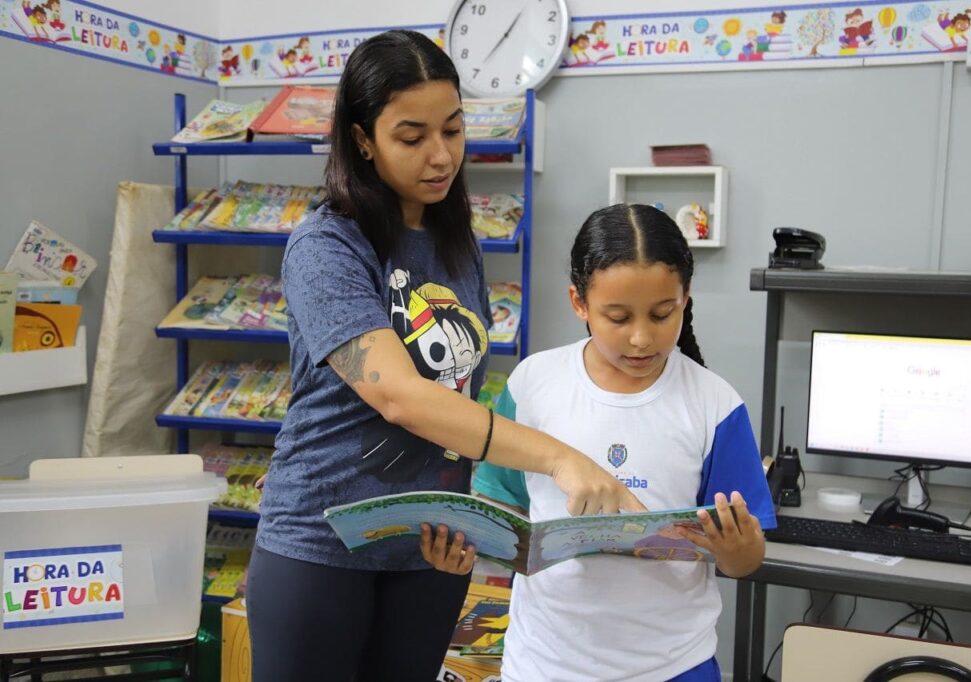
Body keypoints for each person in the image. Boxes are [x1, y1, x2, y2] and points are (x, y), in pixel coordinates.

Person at [246, 30, 643, 682]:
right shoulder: (327, 245)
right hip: (321, 544)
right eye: (412, 137)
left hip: (430, 553)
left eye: (453, 131)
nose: (441, 155)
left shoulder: (457, 242)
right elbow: (400, 395)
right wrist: (559, 458)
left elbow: (459, 390)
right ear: (363, 139)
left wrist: (467, 514)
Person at [421, 203, 777, 682]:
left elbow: (744, 561)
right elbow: (498, 508)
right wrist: (463, 548)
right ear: (579, 303)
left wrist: (739, 548)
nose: (640, 338)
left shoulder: (714, 404)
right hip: (545, 664)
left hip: (672, 666)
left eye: (661, 314)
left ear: (685, 298)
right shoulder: (533, 384)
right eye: (617, 316)